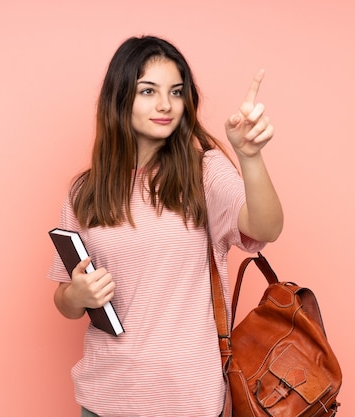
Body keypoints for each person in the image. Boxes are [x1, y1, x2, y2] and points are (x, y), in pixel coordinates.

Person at [48, 35, 283, 417]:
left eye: (176, 92)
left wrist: (250, 157)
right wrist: (77, 296)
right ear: (119, 99)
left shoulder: (204, 172)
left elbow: (267, 227)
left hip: (187, 399)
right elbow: (64, 301)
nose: (165, 105)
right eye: (148, 91)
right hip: (104, 397)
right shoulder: (85, 191)